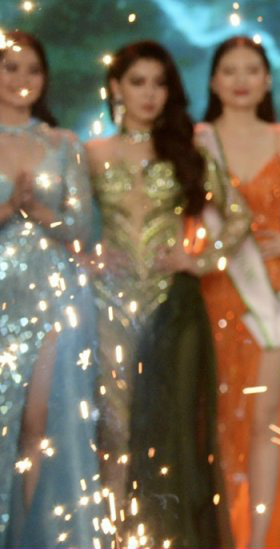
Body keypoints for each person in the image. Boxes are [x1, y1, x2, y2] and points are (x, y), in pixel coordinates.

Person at [89, 40, 246, 548]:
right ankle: (117, 538)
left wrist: (199, 261)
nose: (149, 94)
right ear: (116, 88)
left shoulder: (187, 151)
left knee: (172, 435)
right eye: (138, 82)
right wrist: (85, 254)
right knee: (113, 434)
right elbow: (69, 221)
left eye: (159, 83)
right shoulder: (90, 154)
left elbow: (239, 216)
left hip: (172, 309)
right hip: (107, 304)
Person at [197, 36, 280, 549]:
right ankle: (222, 535)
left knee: (264, 420)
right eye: (230, 70)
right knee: (218, 419)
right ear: (213, 81)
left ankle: (258, 541)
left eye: (252, 69)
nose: (242, 79)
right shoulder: (198, 139)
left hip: (270, 293)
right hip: (213, 290)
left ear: (268, 80)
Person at [0, 31, 103, 549]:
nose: (21, 80)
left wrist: (37, 212)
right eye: (10, 67)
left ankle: (28, 536)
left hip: (51, 289)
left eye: (32, 70)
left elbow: (81, 227)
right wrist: (5, 209)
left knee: (37, 422)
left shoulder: (64, 145)